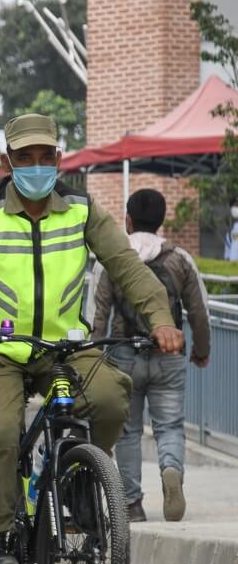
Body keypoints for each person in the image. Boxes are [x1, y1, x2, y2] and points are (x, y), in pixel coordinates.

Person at [0, 113, 183, 564]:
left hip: (65, 347)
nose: (35, 166)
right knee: (1, 430)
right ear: (8, 162)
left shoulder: (82, 209)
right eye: (24, 158)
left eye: (44, 157)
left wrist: (161, 319)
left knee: (111, 397)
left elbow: (128, 268)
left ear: (57, 159)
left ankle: (79, 481)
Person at [92, 189, 211, 523]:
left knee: (128, 431)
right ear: (161, 221)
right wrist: (201, 350)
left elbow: (97, 314)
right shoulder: (179, 259)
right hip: (169, 353)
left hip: (123, 355)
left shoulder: (113, 260)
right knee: (170, 426)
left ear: (127, 221)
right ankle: (171, 470)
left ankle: (131, 503)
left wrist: (95, 357)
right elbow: (199, 312)